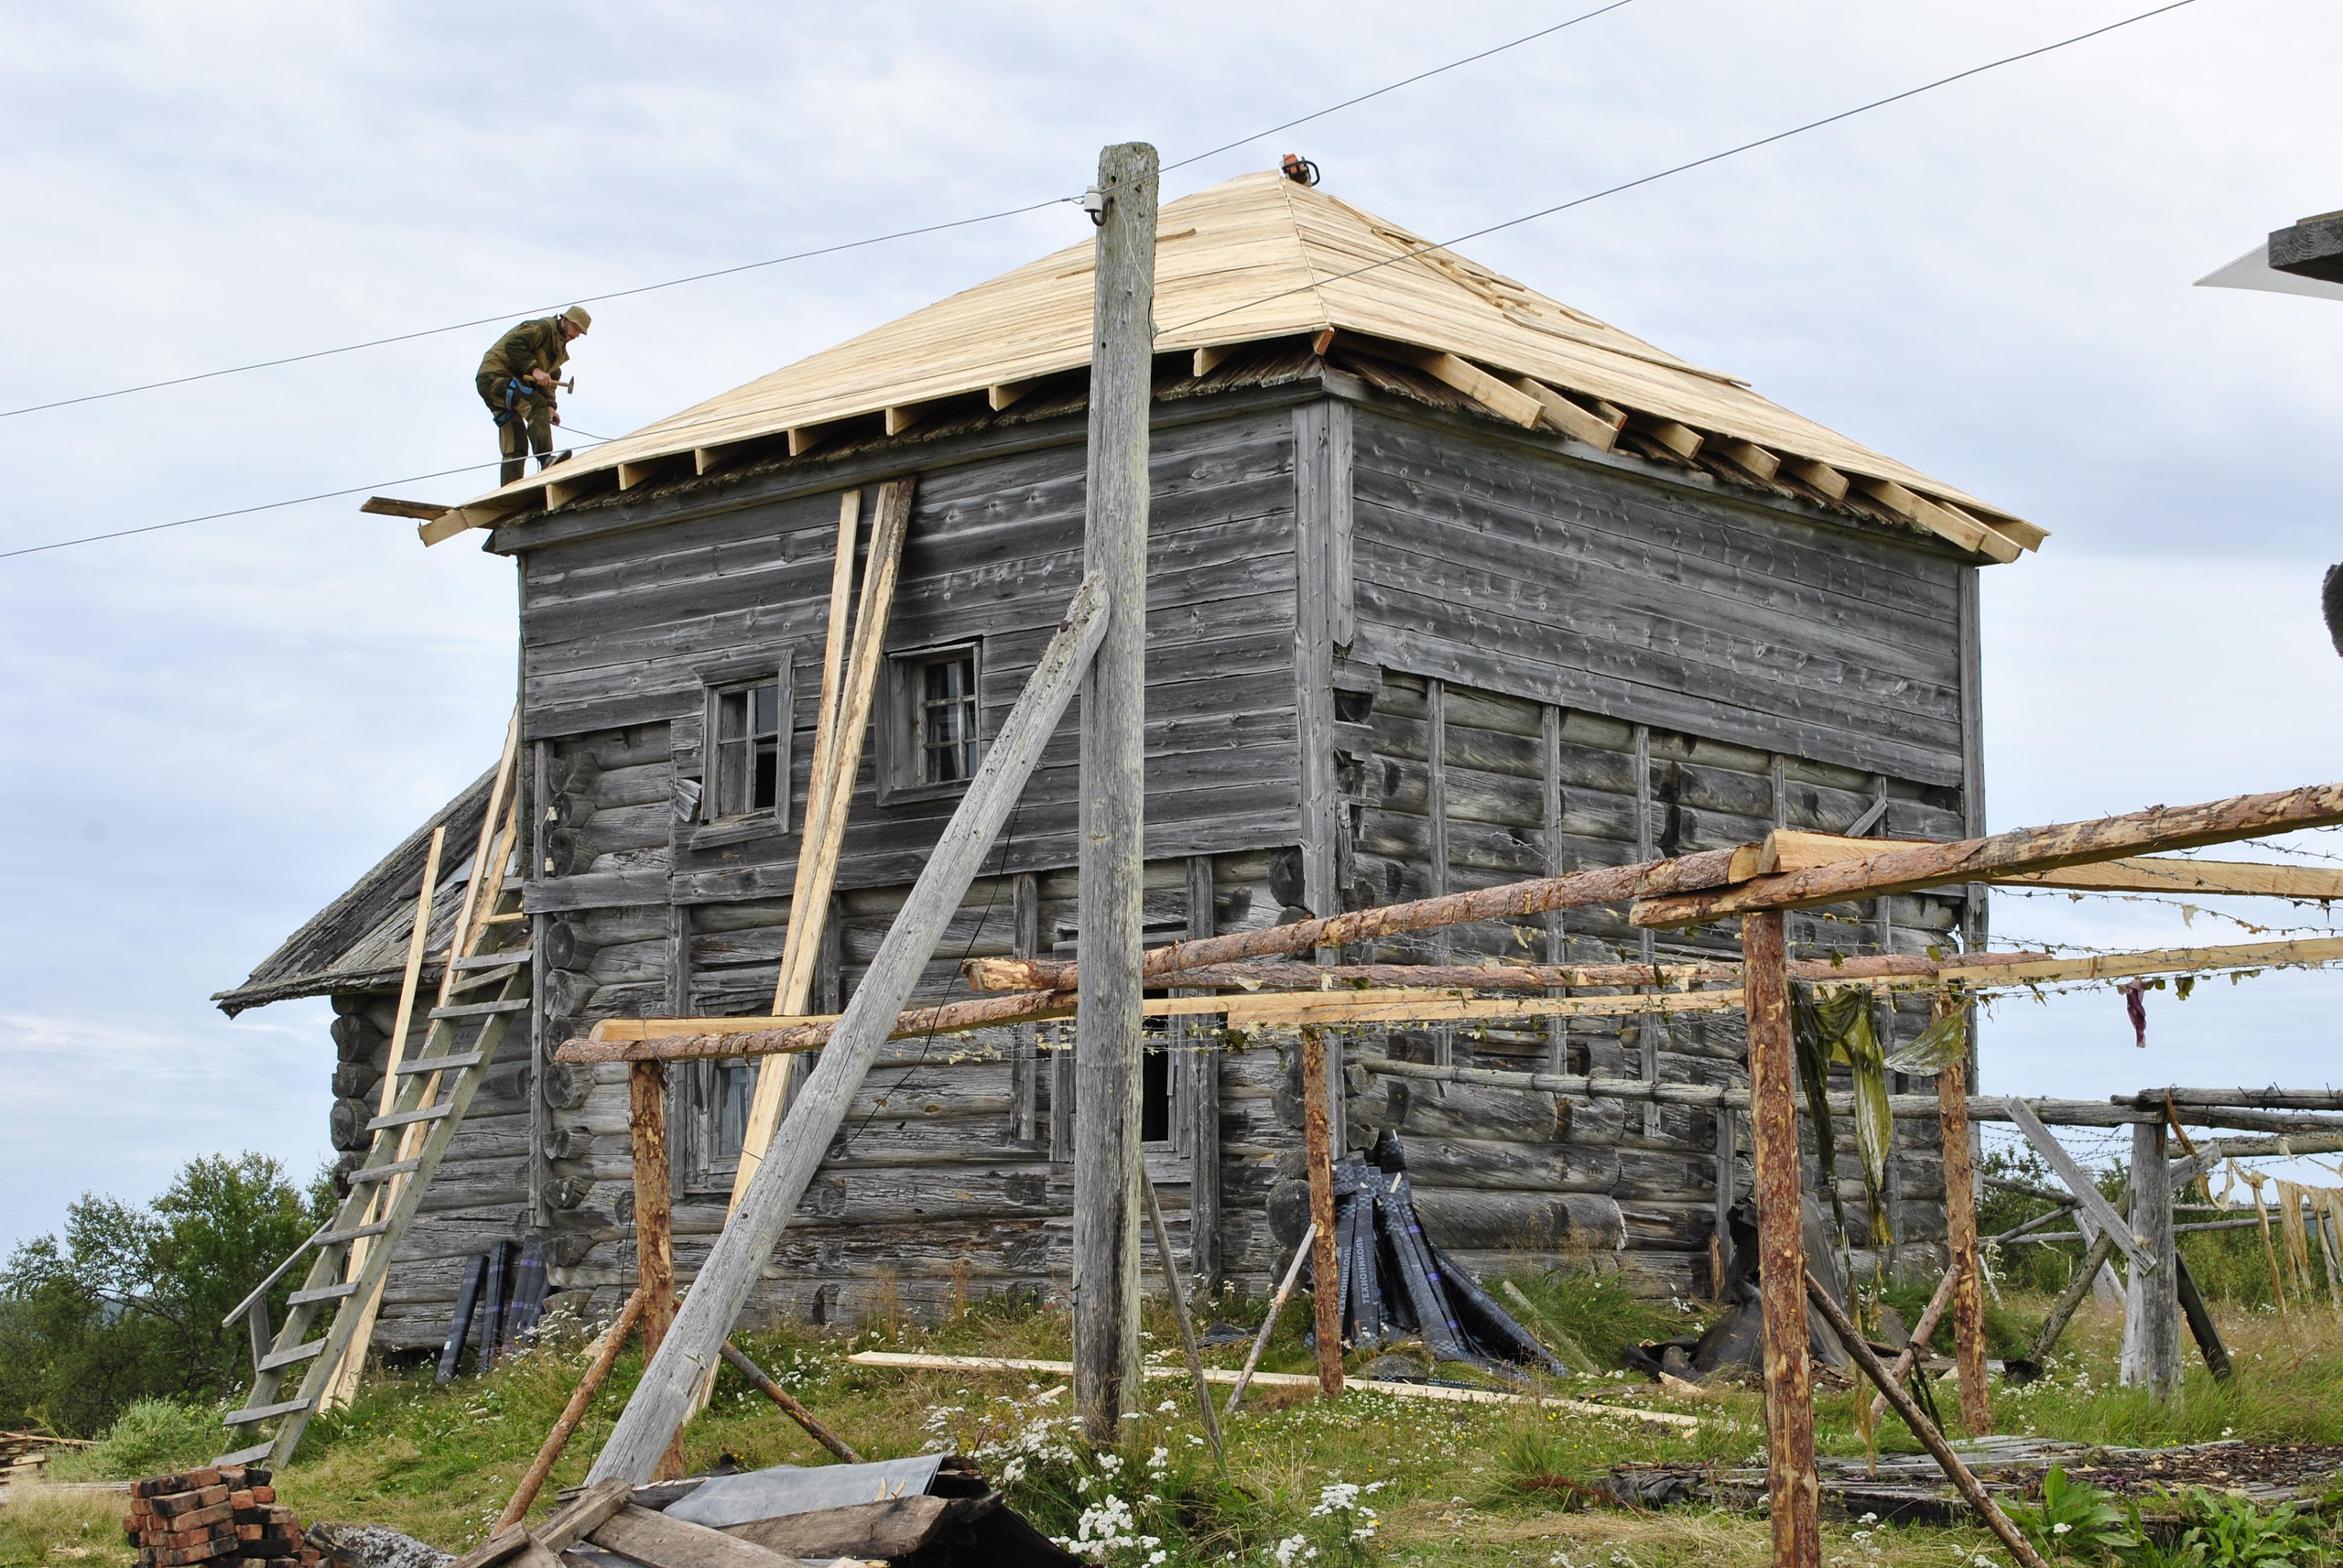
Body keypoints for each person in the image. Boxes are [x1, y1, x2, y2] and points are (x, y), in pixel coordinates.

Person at [477, 306, 590, 484]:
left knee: (517, 444)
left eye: (580, 333)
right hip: (494, 378)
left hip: (507, 388)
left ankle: (509, 492)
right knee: (535, 404)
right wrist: (534, 370)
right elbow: (513, 345)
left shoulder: (557, 352)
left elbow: (552, 377)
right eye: (576, 329)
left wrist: (550, 407)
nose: (576, 335)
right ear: (565, 320)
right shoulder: (543, 328)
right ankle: (546, 459)